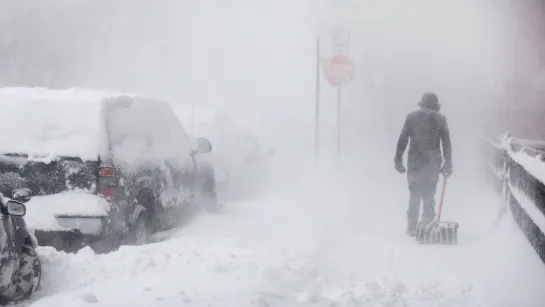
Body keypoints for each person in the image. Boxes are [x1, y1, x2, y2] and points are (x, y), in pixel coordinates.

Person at [394, 92, 453, 236]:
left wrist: (398, 159)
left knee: (414, 193)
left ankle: (412, 226)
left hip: (415, 161)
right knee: (429, 193)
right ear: (436, 105)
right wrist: (448, 162)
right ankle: (427, 224)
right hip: (433, 162)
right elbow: (446, 144)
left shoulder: (412, 117)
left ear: (422, 104)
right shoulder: (441, 119)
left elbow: (403, 139)